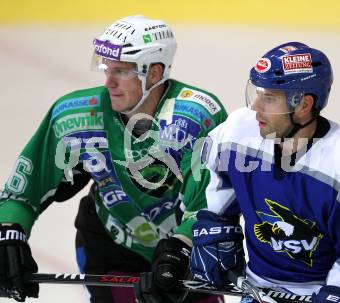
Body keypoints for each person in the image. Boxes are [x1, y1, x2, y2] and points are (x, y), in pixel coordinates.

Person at [0, 15, 227, 303]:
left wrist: (182, 248)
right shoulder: (75, 116)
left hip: (184, 251)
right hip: (111, 246)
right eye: (107, 67)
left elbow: (210, 203)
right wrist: (9, 231)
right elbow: (22, 192)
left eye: (121, 71)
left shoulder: (197, 117)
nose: (108, 81)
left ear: (155, 74)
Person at [190, 42, 340, 303]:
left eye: (269, 98)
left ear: (304, 105)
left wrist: (339, 293)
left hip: (323, 290)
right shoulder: (237, 133)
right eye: (258, 93)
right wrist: (216, 226)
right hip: (259, 288)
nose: (255, 106)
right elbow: (216, 180)